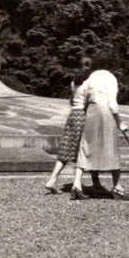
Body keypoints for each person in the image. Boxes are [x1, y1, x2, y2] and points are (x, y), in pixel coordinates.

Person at [69, 68, 129, 201]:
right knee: (111, 148)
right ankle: (117, 187)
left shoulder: (91, 77)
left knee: (85, 146)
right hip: (105, 112)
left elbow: (83, 96)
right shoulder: (111, 78)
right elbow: (113, 103)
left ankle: (76, 185)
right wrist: (120, 122)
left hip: (91, 111)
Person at [43, 56, 94, 194]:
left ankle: (52, 180)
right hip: (83, 116)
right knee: (82, 150)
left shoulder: (74, 82)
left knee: (66, 149)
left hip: (72, 115)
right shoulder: (89, 83)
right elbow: (89, 103)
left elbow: (72, 101)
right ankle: (78, 184)